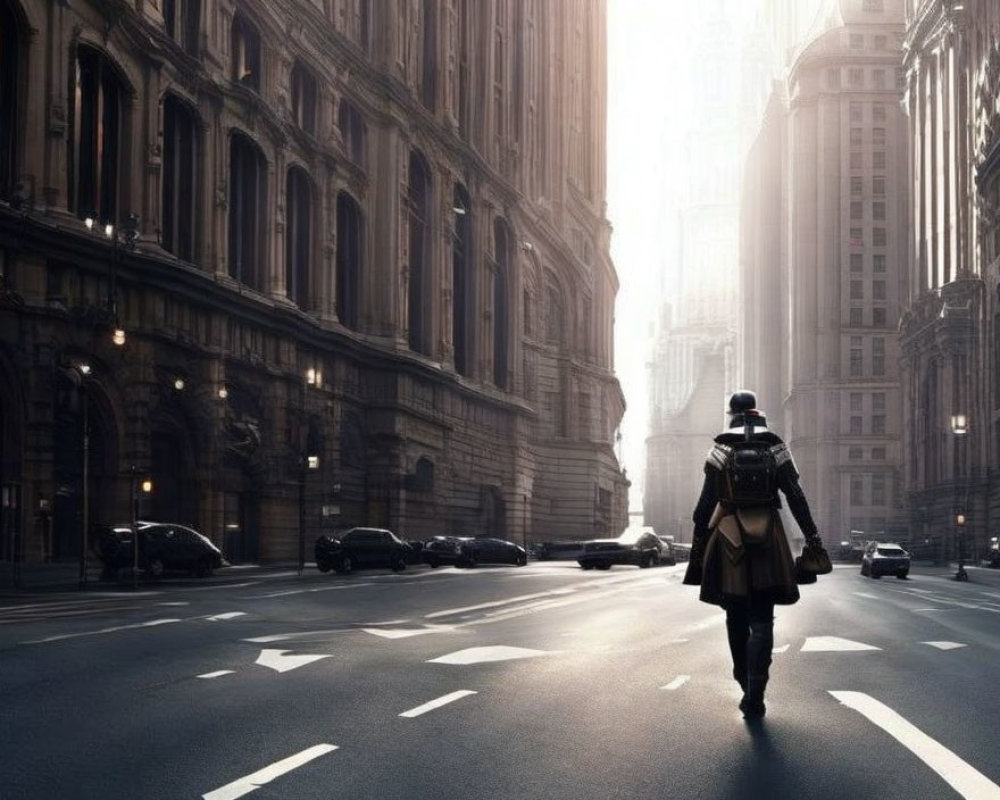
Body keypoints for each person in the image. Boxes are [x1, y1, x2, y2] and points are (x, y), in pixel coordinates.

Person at [683, 390, 822, 719]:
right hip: (769, 539)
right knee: (763, 618)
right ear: (758, 413)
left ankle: (744, 681)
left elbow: (702, 509)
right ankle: (757, 690)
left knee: (735, 616)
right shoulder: (775, 445)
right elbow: (796, 497)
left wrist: (700, 549)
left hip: (729, 539)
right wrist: (813, 538)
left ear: (732, 414)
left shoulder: (720, 448)